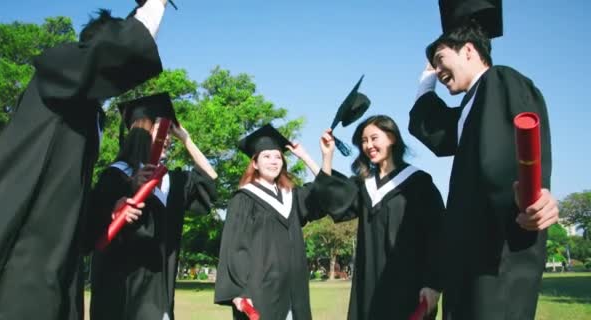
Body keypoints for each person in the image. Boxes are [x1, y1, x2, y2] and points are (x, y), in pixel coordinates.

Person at [0, 1, 170, 319]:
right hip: (24, 253)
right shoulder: (57, 73)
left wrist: (109, 209)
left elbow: (70, 195)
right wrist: (154, 5)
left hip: (55, 259)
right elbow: (107, 53)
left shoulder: (86, 113)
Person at [409, 7, 559, 319]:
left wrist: (534, 194)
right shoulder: (469, 106)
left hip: (499, 250)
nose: (437, 70)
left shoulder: (500, 79)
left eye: (440, 59)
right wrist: (425, 83)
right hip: (470, 255)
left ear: (468, 50)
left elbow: (520, 150)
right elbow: (436, 133)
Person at [86, 92, 217, 320]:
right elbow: (94, 231)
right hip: (122, 290)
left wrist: (186, 139)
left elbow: (210, 180)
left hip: (160, 289)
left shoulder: (172, 181)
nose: (165, 136)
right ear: (140, 130)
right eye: (158, 128)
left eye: (168, 130)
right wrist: (130, 190)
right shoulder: (116, 175)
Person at [214, 124, 356, 320]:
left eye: (278, 156)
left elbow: (325, 194)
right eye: (266, 156)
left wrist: (320, 157)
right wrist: (240, 291)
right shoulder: (243, 199)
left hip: (295, 292)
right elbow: (234, 247)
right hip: (260, 292)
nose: (273, 161)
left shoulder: (292, 196)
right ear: (254, 163)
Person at [322, 115, 445, 319]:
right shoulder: (364, 186)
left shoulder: (419, 183)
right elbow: (333, 203)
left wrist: (434, 283)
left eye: (374, 138)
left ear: (392, 138)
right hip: (368, 289)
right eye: (364, 140)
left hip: (408, 286)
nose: (368, 145)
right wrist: (327, 156)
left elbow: (438, 235)